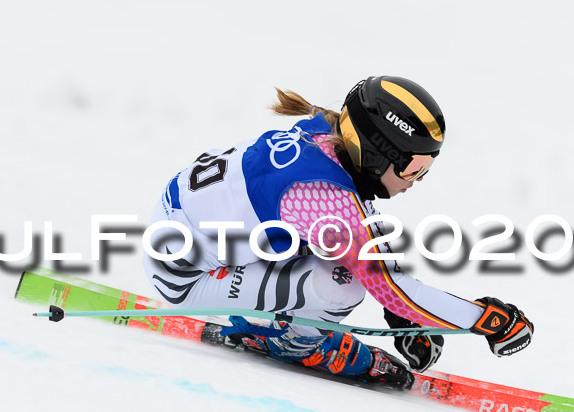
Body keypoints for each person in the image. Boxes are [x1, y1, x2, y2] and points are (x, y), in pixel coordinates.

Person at [143, 76, 534, 390]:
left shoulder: (329, 133)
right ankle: (293, 342)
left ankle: (272, 318)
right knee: (341, 284)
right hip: (184, 279)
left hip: (179, 232)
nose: (416, 181)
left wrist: (403, 316)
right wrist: (485, 320)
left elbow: (368, 237)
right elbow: (390, 284)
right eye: (413, 168)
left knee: (345, 259)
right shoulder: (324, 197)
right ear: (377, 156)